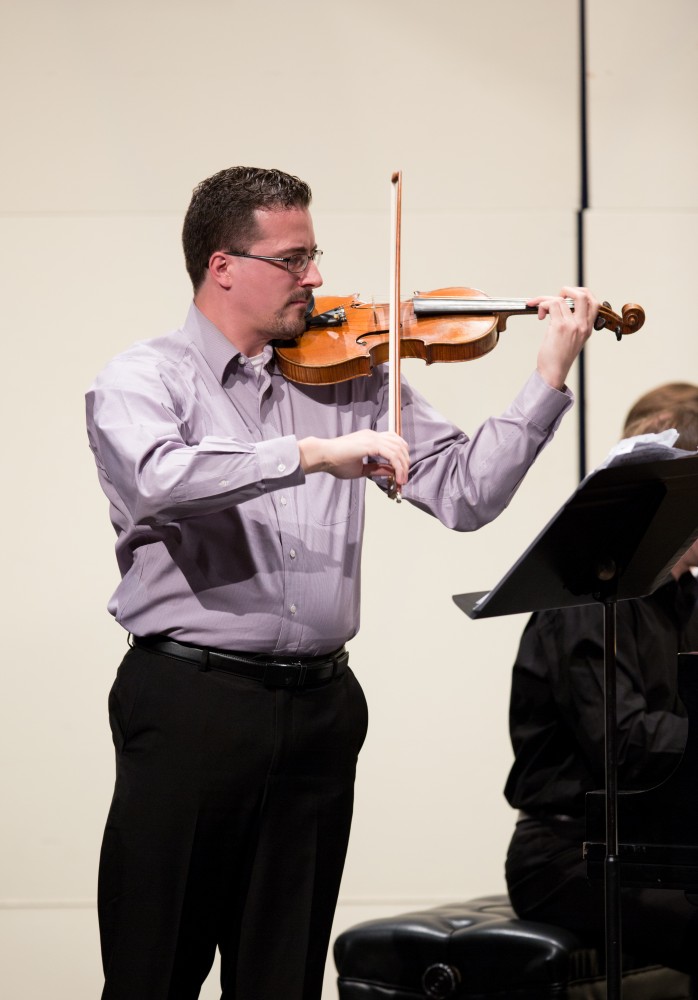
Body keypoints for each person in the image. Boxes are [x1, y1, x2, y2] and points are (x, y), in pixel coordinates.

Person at [86, 165, 598, 1000]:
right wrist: (311, 453)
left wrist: (547, 374)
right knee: (155, 973)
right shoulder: (146, 379)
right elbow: (158, 480)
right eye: (293, 259)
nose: (317, 278)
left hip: (320, 710)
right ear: (223, 266)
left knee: (282, 980)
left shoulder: (347, 368)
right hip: (191, 704)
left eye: (315, 255)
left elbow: (466, 493)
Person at [504, 382, 698, 976]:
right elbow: (624, 743)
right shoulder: (587, 598)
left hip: (659, 846)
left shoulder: (684, 596)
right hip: (571, 857)